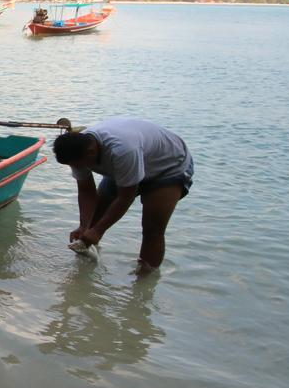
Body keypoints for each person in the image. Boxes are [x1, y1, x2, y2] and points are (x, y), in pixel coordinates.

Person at [52, 118, 193, 275]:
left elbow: (126, 198)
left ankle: (144, 283)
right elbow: (86, 191)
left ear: (91, 152)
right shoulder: (75, 150)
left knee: (152, 228)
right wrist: (84, 226)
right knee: (93, 222)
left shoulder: (123, 150)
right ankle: (85, 275)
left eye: (79, 165)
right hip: (130, 162)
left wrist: (98, 231)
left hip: (168, 167)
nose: (78, 168)